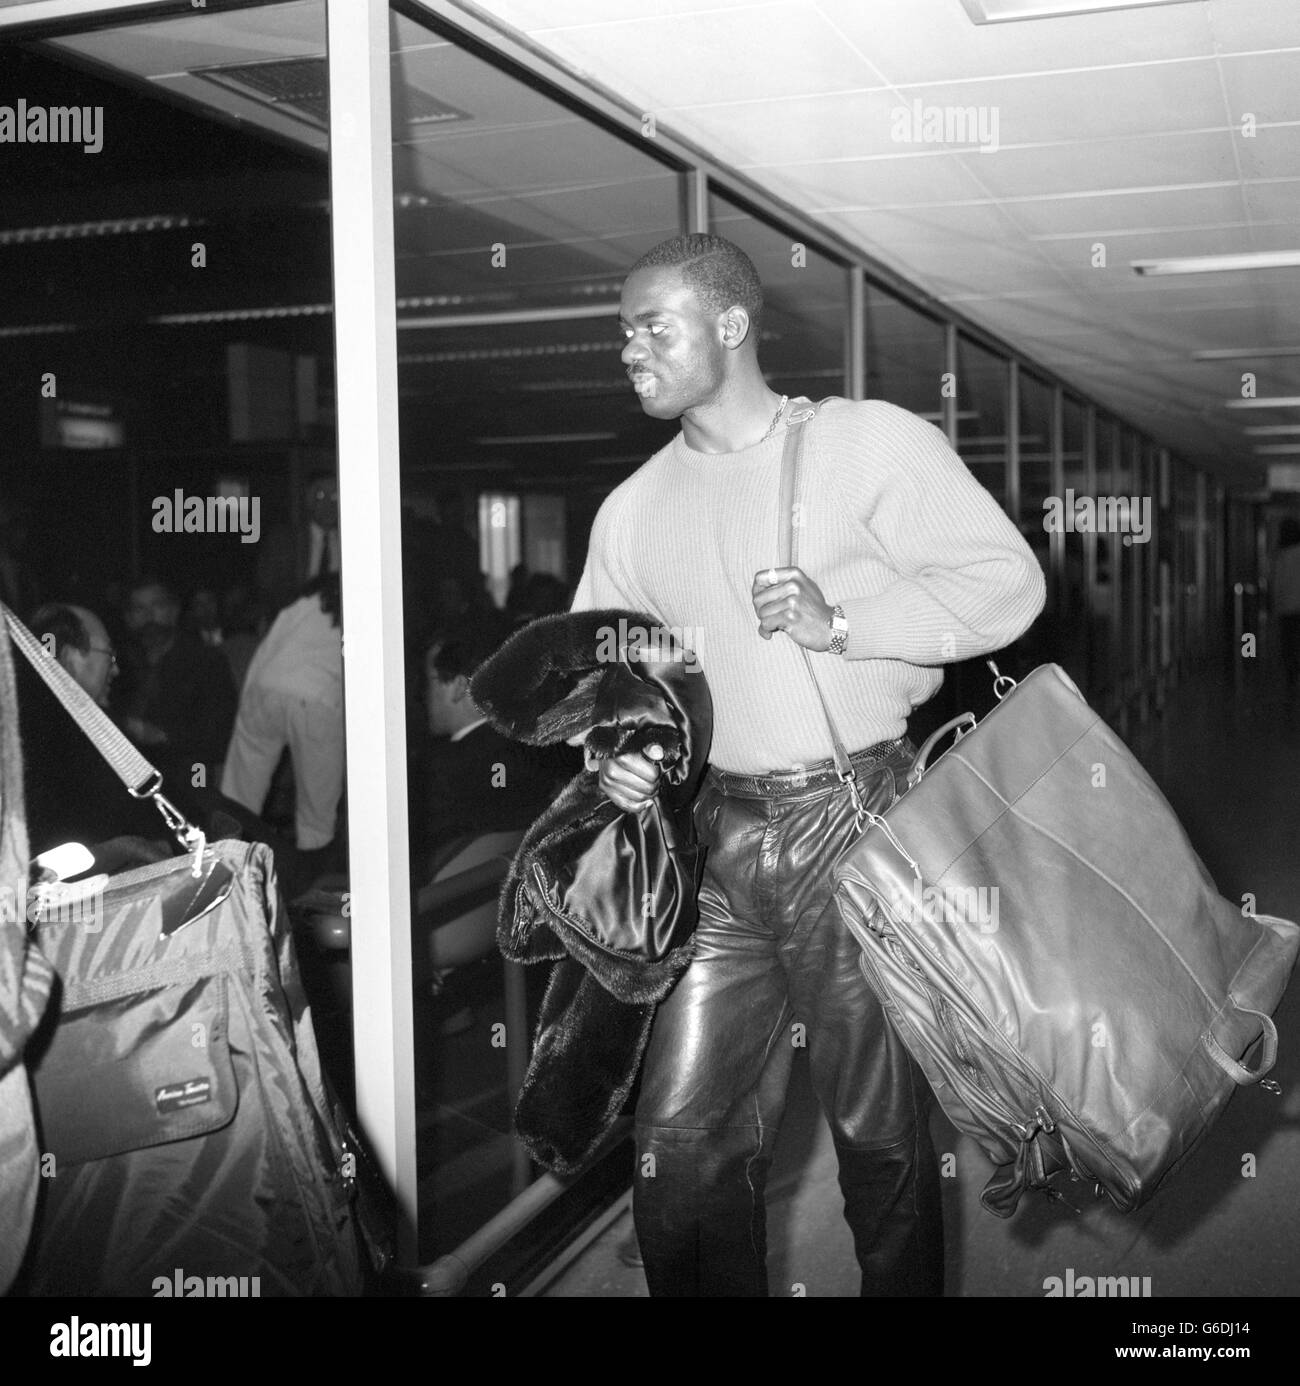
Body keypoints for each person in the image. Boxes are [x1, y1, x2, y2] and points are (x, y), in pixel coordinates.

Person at [572, 233, 1046, 1297]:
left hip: (856, 820)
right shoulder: (632, 508)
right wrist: (624, 755)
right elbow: (609, 679)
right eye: (622, 333)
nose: (631, 351)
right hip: (714, 843)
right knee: (680, 1142)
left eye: (655, 326)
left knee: (878, 1138)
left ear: (731, 325)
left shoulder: (866, 445)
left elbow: (1004, 587)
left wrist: (847, 622)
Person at [15, 602, 172, 874]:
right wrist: (124, 849)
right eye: (109, 656)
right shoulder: (75, 734)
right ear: (67, 655)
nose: (116, 670)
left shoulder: (25, 722)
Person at [222, 572, 346, 863]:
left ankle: (223, 868)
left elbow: (267, 649)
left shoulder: (303, 603)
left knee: (237, 797)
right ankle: (314, 886)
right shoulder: (359, 601)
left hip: (264, 688)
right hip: (315, 696)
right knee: (316, 816)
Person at [117, 577, 237, 792]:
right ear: (128, 617)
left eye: (158, 606)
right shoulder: (119, 665)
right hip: (127, 778)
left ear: (174, 611)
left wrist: (163, 736)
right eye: (139, 609)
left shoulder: (205, 661)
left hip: (187, 776)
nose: (149, 616)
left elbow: (220, 734)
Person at [1271, 516, 1300, 694]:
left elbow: (1275, 582)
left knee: (1289, 641)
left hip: (1286, 607)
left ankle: (1292, 673)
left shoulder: (1279, 555)